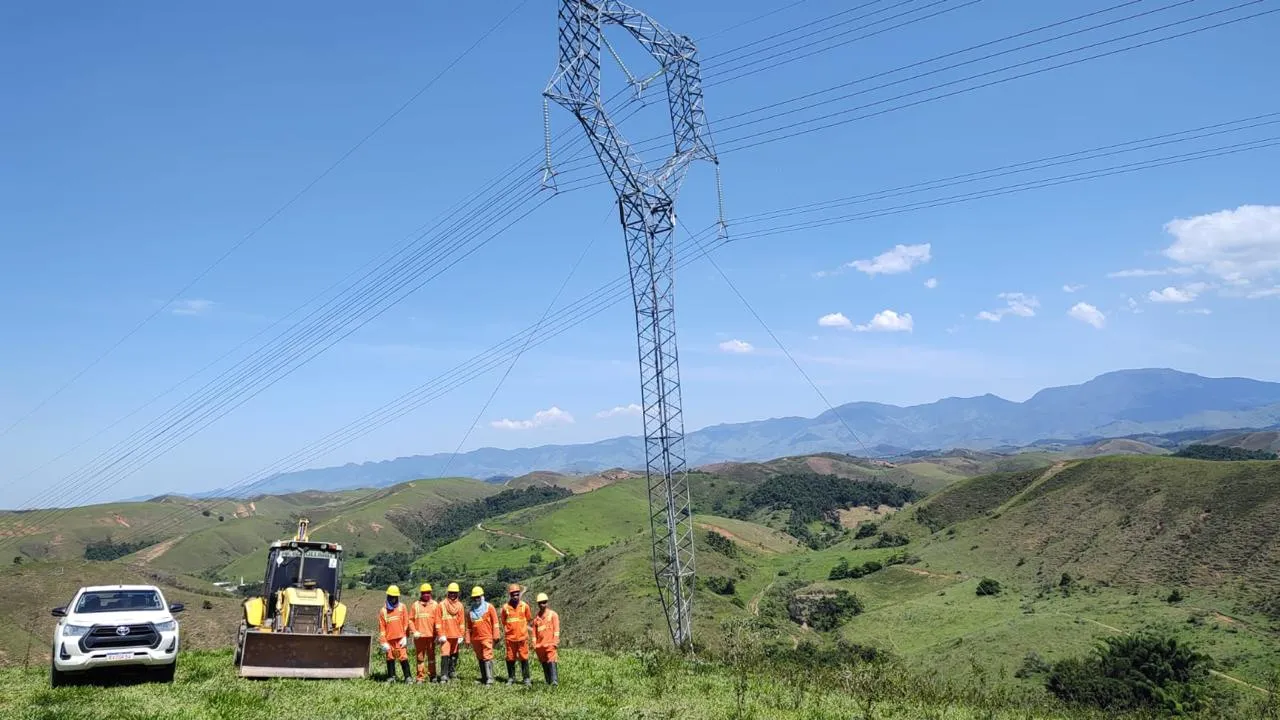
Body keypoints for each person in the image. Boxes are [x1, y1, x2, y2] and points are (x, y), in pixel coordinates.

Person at [499, 583, 534, 685]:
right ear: (510, 595)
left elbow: (528, 619)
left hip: (522, 638)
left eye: (517, 594)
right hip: (510, 638)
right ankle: (511, 678)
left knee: (524, 657)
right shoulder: (505, 608)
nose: (515, 596)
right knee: (510, 657)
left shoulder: (524, 606)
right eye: (513, 594)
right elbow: (504, 621)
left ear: (519, 594)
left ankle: (526, 678)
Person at [466, 585, 500, 685]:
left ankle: (490, 678)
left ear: (482, 596)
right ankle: (484, 678)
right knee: (480, 657)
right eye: (474, 597)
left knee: (487, 656)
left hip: (486, 636)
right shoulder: (471, 611)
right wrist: (467, 639)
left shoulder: (489, 607)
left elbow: (495, 622)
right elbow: (468, 627)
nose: (476, 599)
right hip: (475, 639)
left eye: (478, 597)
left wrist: (496, 635)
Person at [378, 585, 412, 683]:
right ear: (388, 596)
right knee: (390, 657)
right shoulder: (383, 611)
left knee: (403, 657)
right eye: (391, 597)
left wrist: (405, 636)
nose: (393, 599)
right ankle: (391, 677)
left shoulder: (402, 607)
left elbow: (406, 623)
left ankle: (408, 677)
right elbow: (382, 629)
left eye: (395, 597)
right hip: (389, 640)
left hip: (400, 639)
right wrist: (383, 642)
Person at [434, 582, 466, 682]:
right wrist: (440, 634)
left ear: (457, 593)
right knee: (445, 654)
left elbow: (462, 622)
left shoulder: (460, 606)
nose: (453, 594)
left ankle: (451, 672)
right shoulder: (441, 605)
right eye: (451, 592)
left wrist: (461, 634)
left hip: (455, 635)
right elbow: (438, 621)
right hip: (445, 636)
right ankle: (444, 675)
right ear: (448, 593)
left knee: (454, 654)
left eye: (454, 593)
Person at [409, 583, 439, 683]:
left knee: (431, 657)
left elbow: (438, 621)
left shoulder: (435, 605)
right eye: (424, 593)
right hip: (419, 637)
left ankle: (433, 676)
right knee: (420, 658)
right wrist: (414, 632)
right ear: (421, 594)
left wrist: (438, 634)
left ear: (430, 593)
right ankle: (420, 677)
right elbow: (410, 620)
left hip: (431, 636)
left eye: (428, 592)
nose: (426, 594)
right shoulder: (415, 605)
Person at [533, 592, 560, 686]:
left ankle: (554, 681)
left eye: (544, 602)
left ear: (547, 602)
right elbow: (534, 634)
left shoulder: (553, 615)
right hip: (540, 646)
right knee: (544, 662)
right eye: (540, 603)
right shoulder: (536, 619)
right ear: (538, 604)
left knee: (551, 661)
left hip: (550, 644)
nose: (542, 604)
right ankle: (548, 681)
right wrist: (535, 645)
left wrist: (555, 642)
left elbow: (556, 630)